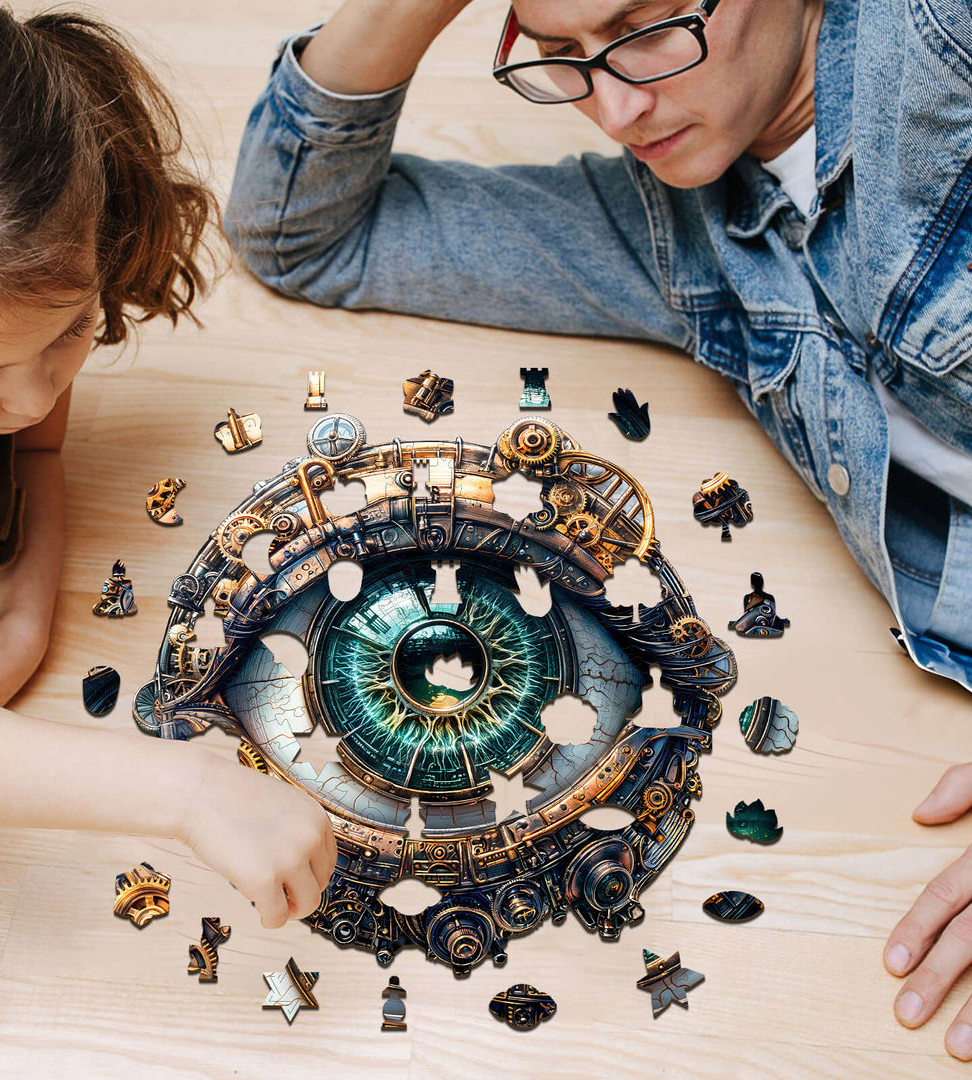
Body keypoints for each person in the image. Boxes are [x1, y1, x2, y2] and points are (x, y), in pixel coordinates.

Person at [222, 0, 972, 1055]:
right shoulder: (670, 215)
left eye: (646, 25)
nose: (615, 107)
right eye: (561, 53)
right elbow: (300, 232)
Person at [0, 0, 335, 932]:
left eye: (71, 332)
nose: (27, 398)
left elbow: (39, 444)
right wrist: (189, 793)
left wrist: (18, 624)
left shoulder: (5, 339)